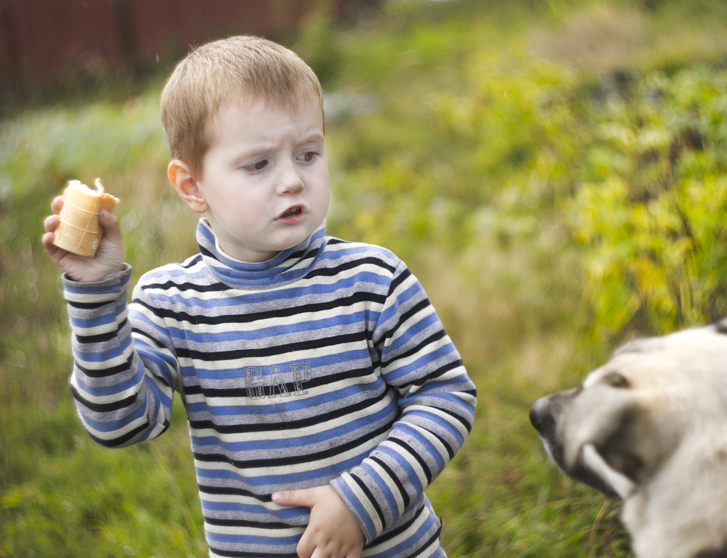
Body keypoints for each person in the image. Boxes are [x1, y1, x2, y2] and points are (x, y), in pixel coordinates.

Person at [42, 35, 476, 558]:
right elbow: (122, 423)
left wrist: (363, 499)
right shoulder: (171, 305)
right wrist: (95, 296)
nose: (293, 180)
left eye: (308, 154)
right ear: (192, 186)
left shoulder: (372, 280)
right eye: (258, 165)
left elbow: (445, 396)